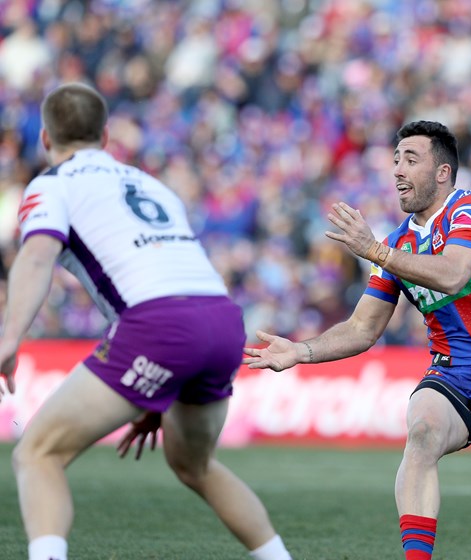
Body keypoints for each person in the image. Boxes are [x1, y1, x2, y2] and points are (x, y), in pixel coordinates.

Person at [244, 120, 471, 560]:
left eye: (410, 159)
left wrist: (376, 252)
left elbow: (453, 274)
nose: (397, 170)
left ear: (442, 172)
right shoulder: (399, 243)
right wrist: (301, 351)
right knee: (421, 432)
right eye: (395, 159)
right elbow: (362, 328)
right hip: (451, 374)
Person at [0, 82, 293, 560]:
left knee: (38, 453)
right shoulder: (149, 183)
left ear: (46, 140)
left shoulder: (50, 185)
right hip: (221, 321)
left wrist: (9, 337)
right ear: (107, 134)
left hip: (159, 325)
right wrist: (158, 395)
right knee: (195, 465)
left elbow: (35, 259)